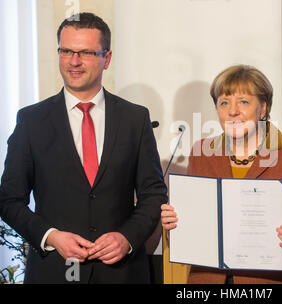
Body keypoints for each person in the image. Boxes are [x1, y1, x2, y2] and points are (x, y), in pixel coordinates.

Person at [0, 12, 167, 283]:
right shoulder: (31, 121)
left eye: (86, 53)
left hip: (122, 273)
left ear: (107, 58)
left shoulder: (135, 119)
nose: (74, 62)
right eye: (66, 51)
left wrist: (127, 238)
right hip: (55, 271)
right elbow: (8, 199)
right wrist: (51, 236)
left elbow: (153, 194)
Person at [161, 64, 282, 284]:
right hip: (208, 279)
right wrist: (174, 223)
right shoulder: (201, 152)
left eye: (243, 102)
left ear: (262, 108)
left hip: (271, 281)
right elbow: (193, 225)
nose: (232, 111)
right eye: (224, 102)